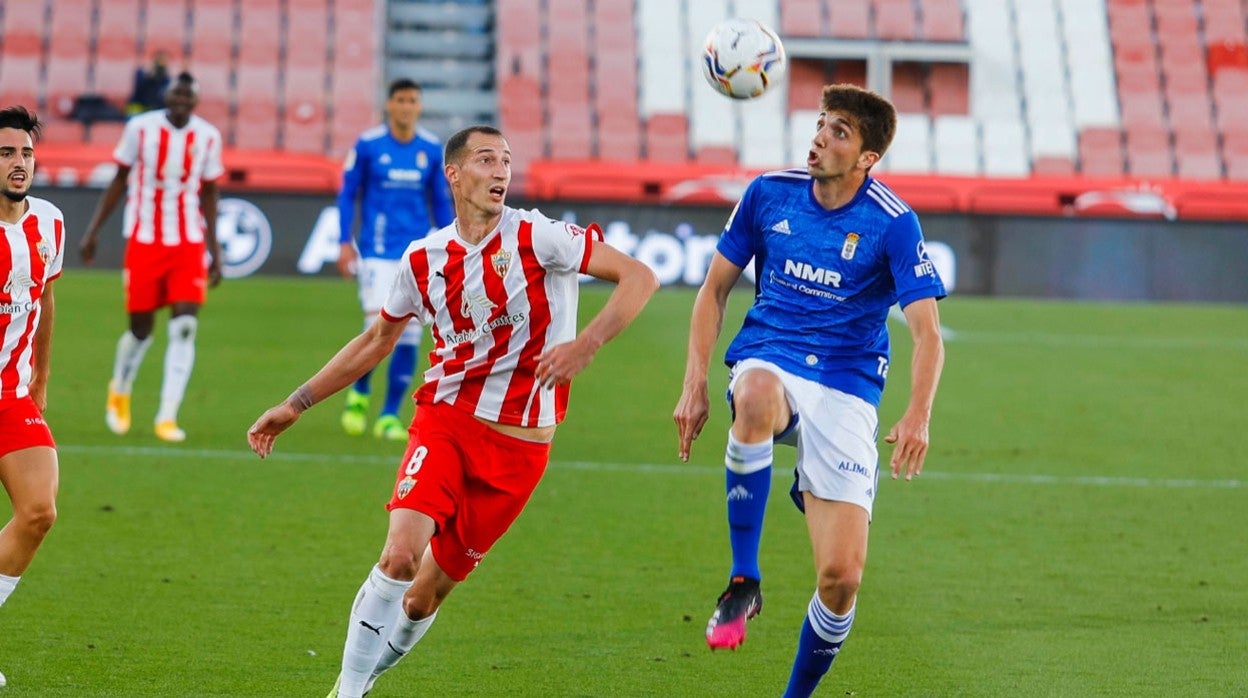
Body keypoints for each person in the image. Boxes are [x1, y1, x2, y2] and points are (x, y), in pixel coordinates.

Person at [247, 125, 658, 698]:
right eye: (486, 159)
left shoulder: (539, 235)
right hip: (447, 422)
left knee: (423, 598)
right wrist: (297, 403)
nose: (501, 170)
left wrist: (586, 344)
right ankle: (348, 692)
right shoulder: (423, 259)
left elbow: (640, 276)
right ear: (455, 174)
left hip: (520, 454)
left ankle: (360, 681)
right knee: (399, 557)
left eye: (507, 160)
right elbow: (376, 341)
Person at [672, 84, 947, 697]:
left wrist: (917, 414)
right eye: (822, 123)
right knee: (756, 396)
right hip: (771, 354)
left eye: (839, 131)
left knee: (840, 579)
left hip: (847, 386)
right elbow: (713, 290)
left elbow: (928, 334)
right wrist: (695, 383)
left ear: (868, 157)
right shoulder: (768, 193)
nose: (820, 136)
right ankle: (744, 580)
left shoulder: (893, 222)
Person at [79, 72, 224, 443]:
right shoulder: (140, 129)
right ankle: (120, 387)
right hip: (145, 240)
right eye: (176, 94)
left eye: (188, 96)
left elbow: (210, 193)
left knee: (185, 326)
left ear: (195, 101)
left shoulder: (208, 136)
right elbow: (119, 179)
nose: (181, 101)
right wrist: (93, 231)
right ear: (166, 96)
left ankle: (167, 415)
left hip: (188, 243)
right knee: (140, 330)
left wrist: (215, 249)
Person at [336, 78, 454, 441]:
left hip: (417, 253)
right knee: (378, 327)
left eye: (412, 100)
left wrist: (453, 242)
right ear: (389, 105)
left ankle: (388, 414)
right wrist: (344, 241)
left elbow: (440, 201)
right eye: (400, 100)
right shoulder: (369, 145)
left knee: (410, 333)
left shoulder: (430, 149)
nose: (406, 106)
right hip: (377, 251)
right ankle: (360, 393)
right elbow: (348, 193)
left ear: (419, 106)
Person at [0, 106, 65, 690]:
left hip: (12, 397)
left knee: (39, 512)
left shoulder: (50, 222)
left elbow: (44, 299)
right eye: (5, 154)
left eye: (25, 152)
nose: (18, 163)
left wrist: (41, 379)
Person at [126, 49, 171, 116]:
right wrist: (149, 78)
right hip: (140, 109)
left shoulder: (168, 81)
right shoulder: (141, 75)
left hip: (157, 111)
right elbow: (138, 93)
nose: (160, 64)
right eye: (158, 61)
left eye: (163, 61)